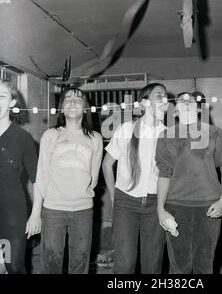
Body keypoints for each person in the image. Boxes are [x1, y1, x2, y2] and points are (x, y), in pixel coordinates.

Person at [156, 92, 222, 274]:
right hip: (176, 207)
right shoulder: (165, 136)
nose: (186, 101)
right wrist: (160, 209)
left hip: (209, 207)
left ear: (199, 108)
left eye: (190, 99)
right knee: (179, 265)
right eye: (181, 100)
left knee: (204, 264)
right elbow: (164, 173)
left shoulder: (215, 133)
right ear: (174, 111)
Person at [28, 86, 103, 274]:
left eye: (78, 99)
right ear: (61, 108)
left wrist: (80, 193)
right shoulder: (51, 135)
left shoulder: (95, 138)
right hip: (53, 211)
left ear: (85, 108)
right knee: (50, 265)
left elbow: (93, 177)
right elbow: (42, 176)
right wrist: (36, 213)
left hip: (83, 212)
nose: (72, 102)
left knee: (80, 265)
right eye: (67, 99)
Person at [102, 83, 168, 274]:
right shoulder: (126, 129)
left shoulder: (168, 134)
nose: (165, 100)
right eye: (159, 95)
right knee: (125, 263)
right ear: (145, 102)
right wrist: (115, 197)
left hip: (156, 204)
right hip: (126, 203)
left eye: (165, 96)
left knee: (153, 265)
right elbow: (107, 165)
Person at [0, 79, 38, 273]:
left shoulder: (23, 138)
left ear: (12, 102)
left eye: (2, 96)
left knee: (13, 267)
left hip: (12, 217)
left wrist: (36, 214)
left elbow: (36, 179)